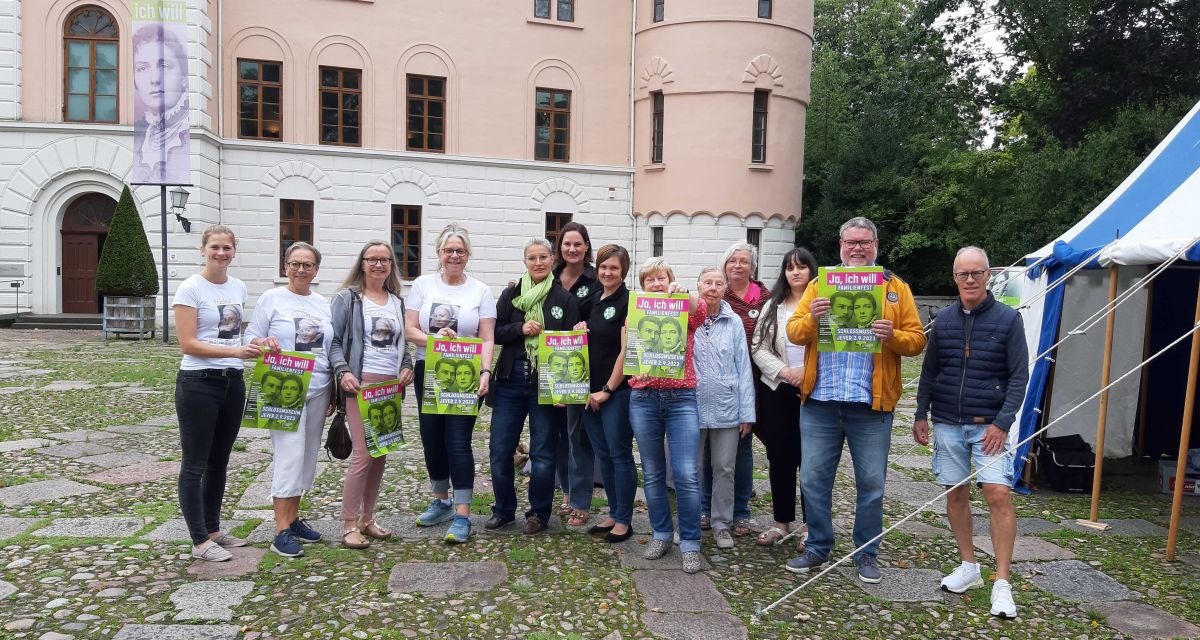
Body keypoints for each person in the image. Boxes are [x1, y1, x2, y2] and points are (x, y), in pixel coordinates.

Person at [784, 216, 927, 583]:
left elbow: (917, 340)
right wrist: (812, 320)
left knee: (872, 485)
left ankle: (867, 553)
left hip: (871, 405)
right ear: (841, 246)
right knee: (813, 480)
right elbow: (794, 333)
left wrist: (892, 335)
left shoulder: (895, 288)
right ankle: (818, 545)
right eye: (851, 242)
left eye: (865, 242)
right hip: (821, 401)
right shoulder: (820, 285)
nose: (858, 248)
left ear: (876, 245)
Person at [913, 246, 1028, 619]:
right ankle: (969, 567)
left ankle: (1002, 582)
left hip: (988, 427)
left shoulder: (1009, 320)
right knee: (955, 493)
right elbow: (929, 371)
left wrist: (1003, 422)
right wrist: (919, 414)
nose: (969, 280)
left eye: (976, 273)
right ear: (954, 278)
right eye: (963, 274)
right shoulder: (943, 319)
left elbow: (1018, 376)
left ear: (988, 275)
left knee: (998, 494)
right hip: (947, 422)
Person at [173, 225, 262, 562]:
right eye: (215, 247)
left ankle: (213, 529)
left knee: (219, 461)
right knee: (194, 463)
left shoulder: (238, 287)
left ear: (234, 252)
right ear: (203, 249)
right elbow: (188, 343)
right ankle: (199, 540)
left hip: (232, 382)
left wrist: (253, 345)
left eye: (227, 248)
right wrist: (236, 353)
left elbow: (232, 336)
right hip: (198, 382)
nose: (221, 253)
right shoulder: (191, 288)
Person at [404, 224, 496, 543]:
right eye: (448, 250)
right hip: (428, 369)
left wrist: (486, 372)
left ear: (467, 255)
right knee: (431, 437)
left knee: (458, 439)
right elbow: (409, 329)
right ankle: (441, 500)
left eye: (460, 251)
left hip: (466, 374)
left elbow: (486, 337)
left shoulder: (480, 291)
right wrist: (433, 337)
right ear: (439, 254)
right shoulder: (422, 285)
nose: (454, 255)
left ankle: (463, 514)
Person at [245, 241, 334, 558]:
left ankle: (294, 518)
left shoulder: (323, 303)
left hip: (319, 385)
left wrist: (334, 388)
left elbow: (327, 347)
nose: (300, 269)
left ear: (316, 270)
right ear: (285, 266)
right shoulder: (271, 298)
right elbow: (249, 336)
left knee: (308, 455)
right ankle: (280, 529)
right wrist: (262, 341)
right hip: (283, 381)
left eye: (307, 265)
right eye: (295, 263)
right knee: (289, 454)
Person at [488, 238, 580, 535]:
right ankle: (503, 510)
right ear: (525, 261)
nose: (538, 263)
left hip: (547, 383)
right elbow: (496, 332)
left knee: (543, 453)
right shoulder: (511, 294)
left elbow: (571, 346)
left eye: (543, 257)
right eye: (532, 258)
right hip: (510, 380)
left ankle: (538, 513)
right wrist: (520, 328)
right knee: (500, 450)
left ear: (553, 260)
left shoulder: (564, 299)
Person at [330, 241, 415, 550]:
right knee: (363, 455)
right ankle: (349, 523)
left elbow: (403, 344)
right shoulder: (348, 299)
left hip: (390, 386)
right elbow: (334, 340)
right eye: (372, 259)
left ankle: (368, 518)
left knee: (380, 454)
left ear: (392, 265)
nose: (379, 265)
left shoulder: (396, 301)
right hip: (360, 384)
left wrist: (407, 366)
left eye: (385, 260)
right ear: (362, 263)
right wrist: (343, 371)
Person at [628, 257, 707, 573]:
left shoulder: (682, 305)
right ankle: (661, 532)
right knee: (653, 471)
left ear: (670, 280)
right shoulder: (638, 310)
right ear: (643, 285)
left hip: (681, 399)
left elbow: (701, 313)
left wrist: (683, 292)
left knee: (686, 473)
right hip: (643, 397)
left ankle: (689, 542)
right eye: (650, 279)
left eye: (662, 278)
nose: (656, 283)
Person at [750, 248, 818, 546]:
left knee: (812, 460)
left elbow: (833, 343)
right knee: (780, 457)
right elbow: (758, 347)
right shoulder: (772, 305)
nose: (796, 272)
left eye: (802, 267)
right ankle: (781, 522)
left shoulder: (822, 305)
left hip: (814, 390)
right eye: (790, 267)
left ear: (811, 271)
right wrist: (784, 371)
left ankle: (810, 526)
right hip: (778, 389)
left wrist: (807, 371)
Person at [703, 243, 767, 537]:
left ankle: (736, 512)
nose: (738, 266)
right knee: (704, 459)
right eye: (732, 261)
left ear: (752, 267)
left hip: (753, 384)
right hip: (704, 393)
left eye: (744, 261)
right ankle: (704, 509)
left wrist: (747, 411)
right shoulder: (706, 304)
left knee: (735, 457)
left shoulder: (765, 299)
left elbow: (743, 363)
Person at [575, 244, 636, 543]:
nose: (607, 272)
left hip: (616, 392)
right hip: (590, 393)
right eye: (603, 267)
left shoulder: (629, 302)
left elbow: (627, 352)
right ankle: (613, 512)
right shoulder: (594, 299)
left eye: (614, 267)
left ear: (624, 271)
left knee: (619, 454)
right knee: (604, 455)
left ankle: (625, 519)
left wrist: (607, 390)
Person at [694, 266, 756, 550]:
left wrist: (747, 414)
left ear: (725, 289)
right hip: (691, 406)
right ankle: (691, 521)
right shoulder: (688, 319)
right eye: (707, 282)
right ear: (698, 287)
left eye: (719, 283)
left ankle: (721, 524)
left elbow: (743, 368)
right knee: (690, 469)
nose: (713, 288)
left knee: (724, 467)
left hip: (726, 405)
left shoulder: (733, 323)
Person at [552, 222, 600, 525]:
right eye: (567, 244)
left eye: (577, 244)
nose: (572, 249)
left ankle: (581, 500)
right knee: (554, 435)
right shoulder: (548, 277)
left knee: (577, 435)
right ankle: (566, 492)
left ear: (586, 247)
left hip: (581, 367)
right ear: (560, 247)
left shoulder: (596, 279)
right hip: (550, 366)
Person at [130, 22, 190, 184]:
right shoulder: (138, 137)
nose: (155, 79)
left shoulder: (189, 131)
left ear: (183, 76)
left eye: (164, 65)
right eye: (142, 68)